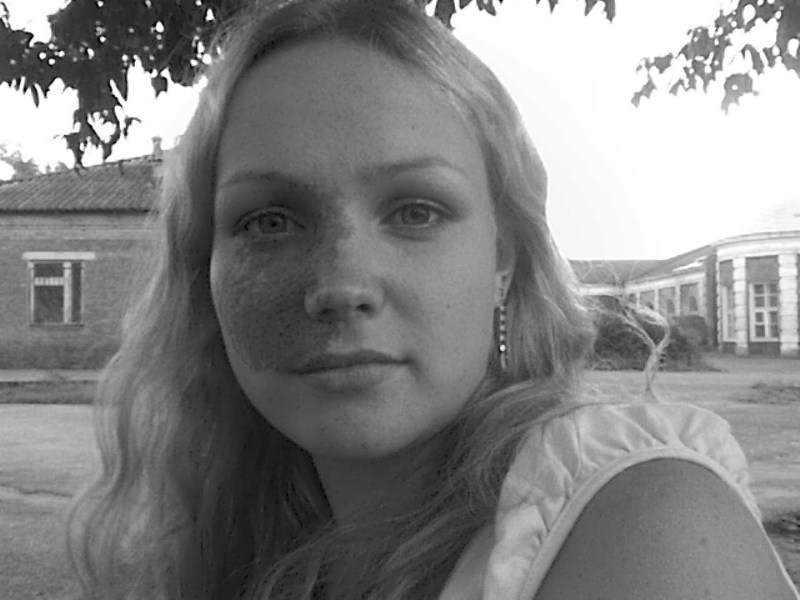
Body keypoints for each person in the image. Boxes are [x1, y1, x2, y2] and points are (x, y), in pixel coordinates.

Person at [67, 1, 800, 598]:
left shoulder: (640, 522)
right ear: (205, 273)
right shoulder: (241, 544)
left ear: (504, 260)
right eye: (269, 222)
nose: (341, 286)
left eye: (415, 211)